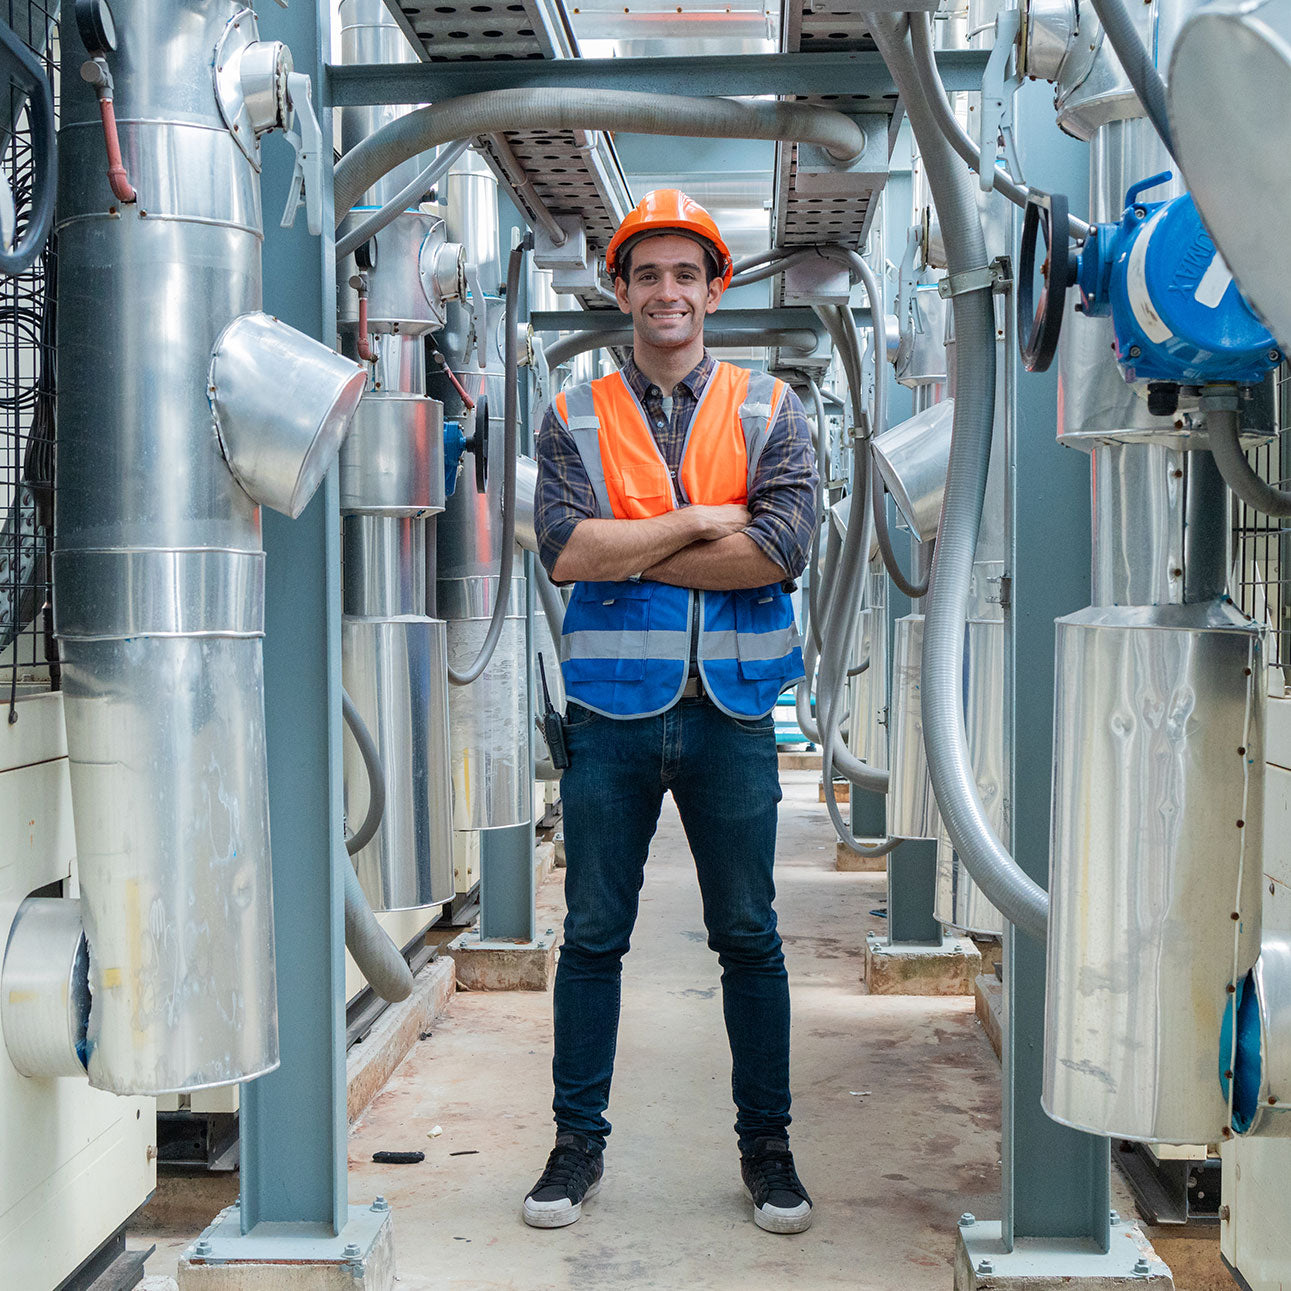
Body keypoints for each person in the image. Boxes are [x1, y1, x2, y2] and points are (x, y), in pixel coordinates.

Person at [525, 190, 818, 1235]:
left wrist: (633, 544)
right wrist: (698, 520)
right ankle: (575, 1144)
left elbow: (779, 548)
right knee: (592, 936)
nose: (666, 292)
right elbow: (565, 549)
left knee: (748, 935)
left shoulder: (771, 407)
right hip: (609, 713)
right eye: (646, 273)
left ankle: (768, 1149)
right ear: (620, 288)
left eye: (684, 274)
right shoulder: (571, 413)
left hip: (730, 712)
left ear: (713, 289)